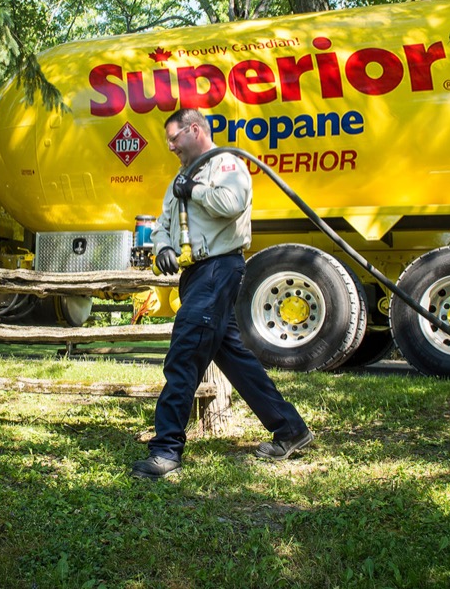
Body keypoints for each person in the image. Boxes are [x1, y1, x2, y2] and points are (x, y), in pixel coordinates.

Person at [130, 108, 313, 480]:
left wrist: (195, 191)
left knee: (184, 352)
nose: (169, 146)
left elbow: (231, 206)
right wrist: (162, 248)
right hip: (196, 274)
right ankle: (290, 429)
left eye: (173, 137)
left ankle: (166, 451)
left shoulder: (227, 164)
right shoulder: (179, 178)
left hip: (219, 269)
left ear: (194, 130)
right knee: (234, 358)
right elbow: (163, 223)